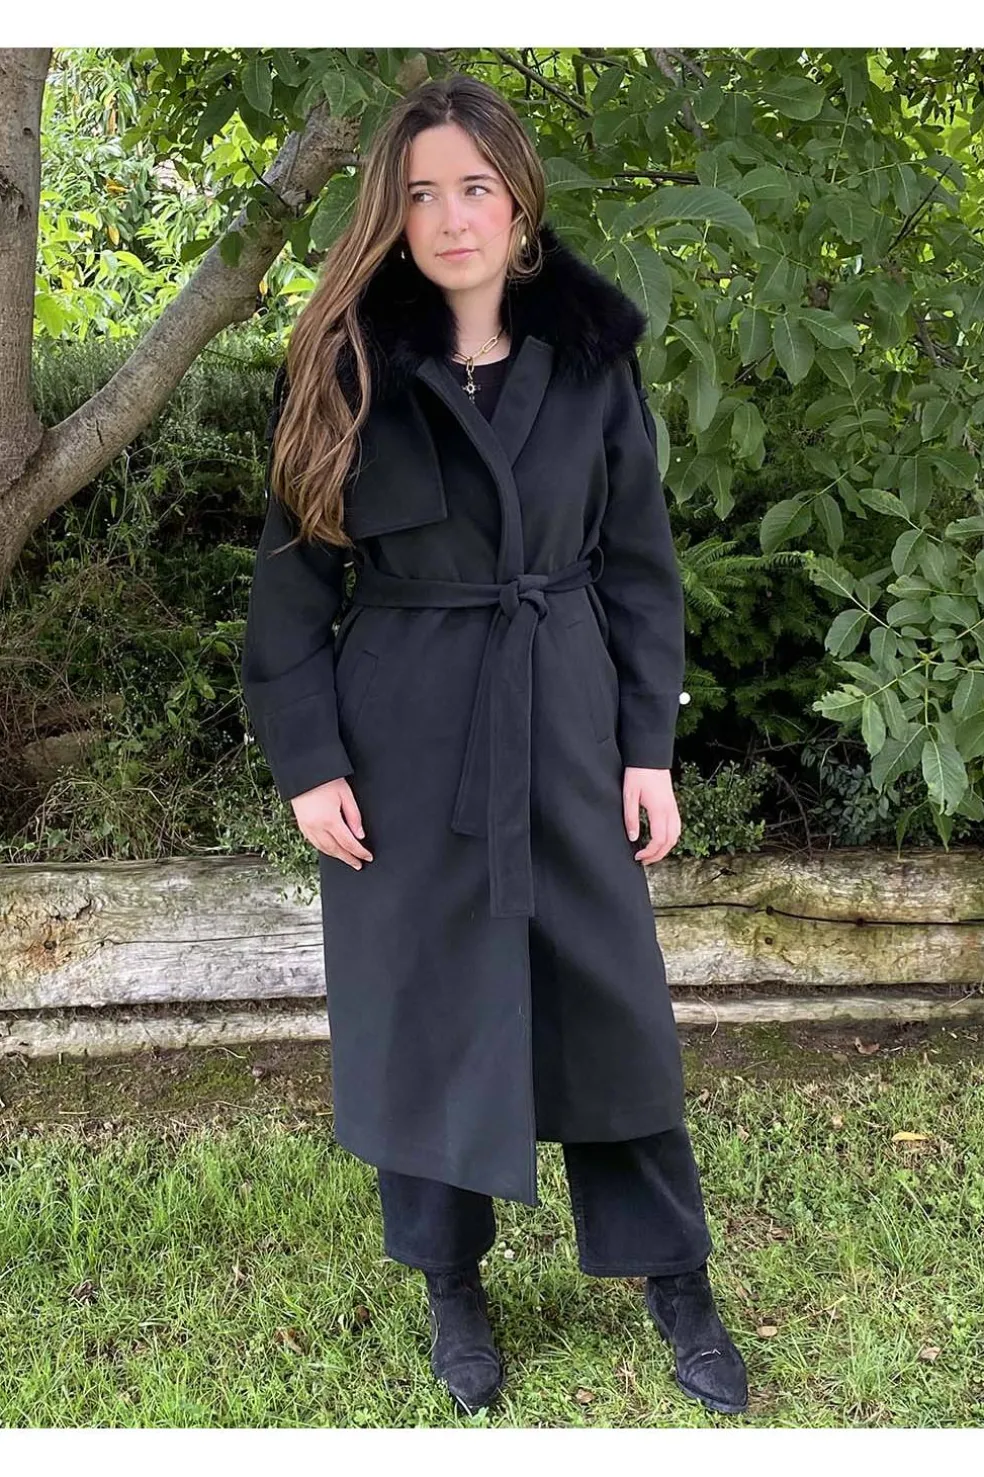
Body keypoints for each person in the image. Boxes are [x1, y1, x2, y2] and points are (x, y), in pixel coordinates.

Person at [241, 73, 747, 1419]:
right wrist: (310, 762)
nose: (451, 217)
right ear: (391, 215)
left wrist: (647, 748)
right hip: (401, 741)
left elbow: (638, 567)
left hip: (564, 716)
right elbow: (291, 591)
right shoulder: (345, 366)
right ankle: (450, 1285)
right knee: (425, 1011)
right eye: (422, 194)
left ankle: (675, 1277)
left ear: (518, 199)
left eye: (474, 186)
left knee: (610, 1001)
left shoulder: (592, 359)